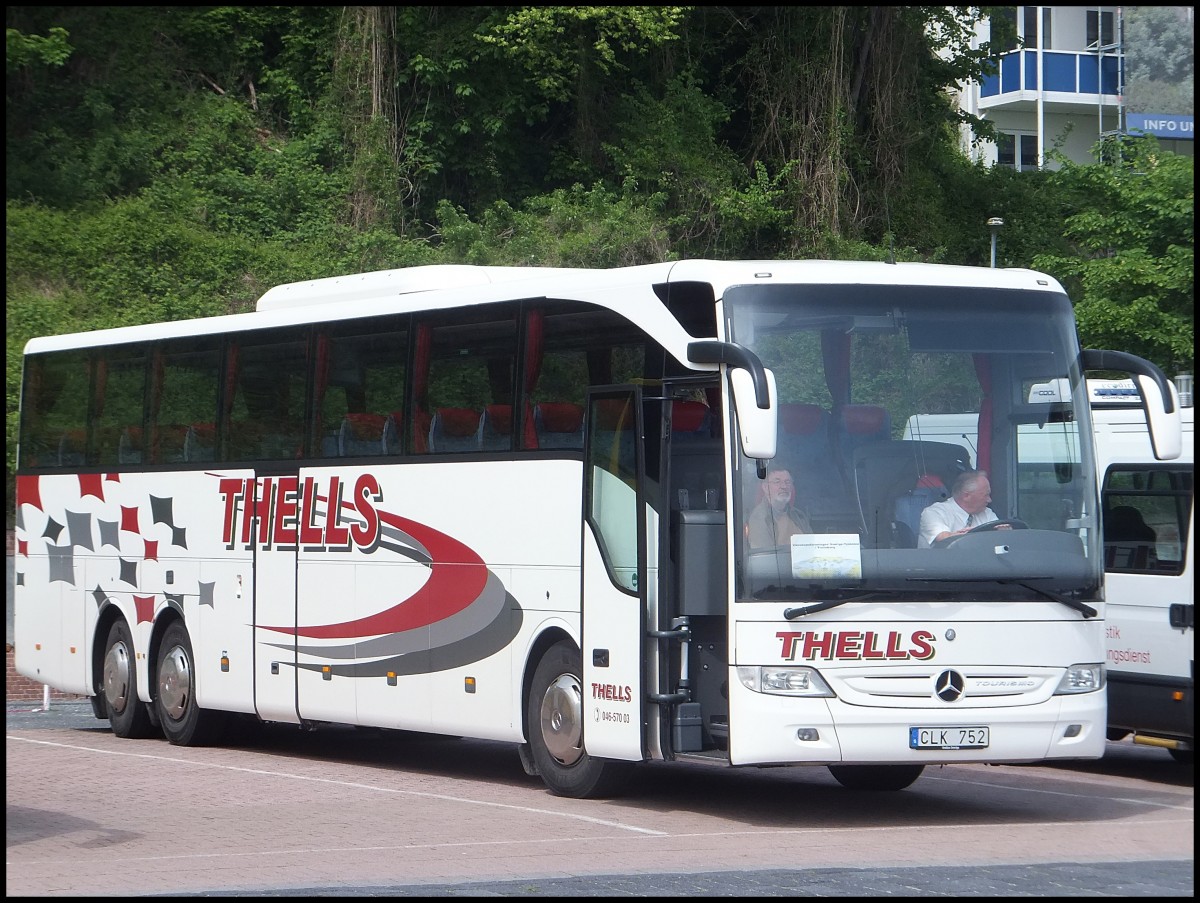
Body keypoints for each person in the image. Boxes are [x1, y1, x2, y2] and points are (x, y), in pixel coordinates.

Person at [918, 470, 1005, 547]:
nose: (989, 500)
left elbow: (998, 540)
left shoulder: (987, 513)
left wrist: (1005, 533)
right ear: (966, 496)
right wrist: (974, 534)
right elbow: (944, 539)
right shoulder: (933, 513)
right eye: (986, 495)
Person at [746, 467, 813, 549]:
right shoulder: (758, 518)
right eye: (777, 482)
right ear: (765, 487)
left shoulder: (799, 516)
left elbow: (812, 548)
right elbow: (766, 556)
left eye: (787, 482)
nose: (784, 486)